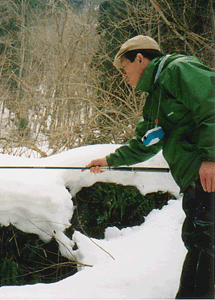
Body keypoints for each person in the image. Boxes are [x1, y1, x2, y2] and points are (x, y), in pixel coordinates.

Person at [84, 35, 215, 299]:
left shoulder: (179, 70)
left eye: (124, 68)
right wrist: (109, 161)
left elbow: (212, 108)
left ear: (140, 59)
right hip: (193, 181)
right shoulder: (154, 97)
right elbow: (146, 142)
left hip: (209, 177)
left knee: (205, 243)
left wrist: (211, 159)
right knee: (195, 239)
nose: (123, 76)